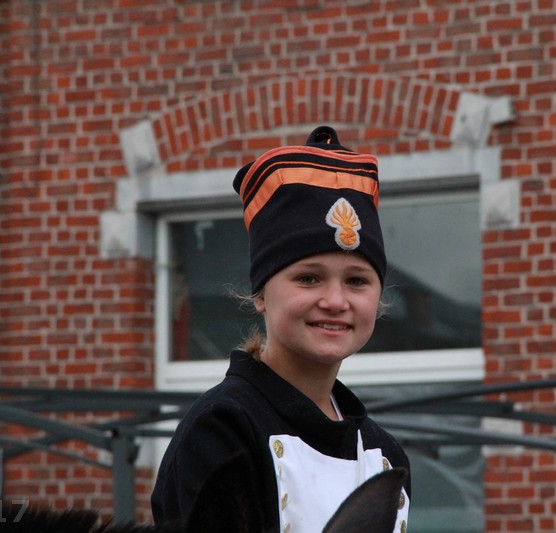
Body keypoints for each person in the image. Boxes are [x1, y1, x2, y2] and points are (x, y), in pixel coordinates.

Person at [151, 126, 411, 533]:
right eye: (308, 278)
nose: (336, 300)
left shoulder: (385, 455)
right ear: (261, 294)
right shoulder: (222, 432)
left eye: (357, 281)